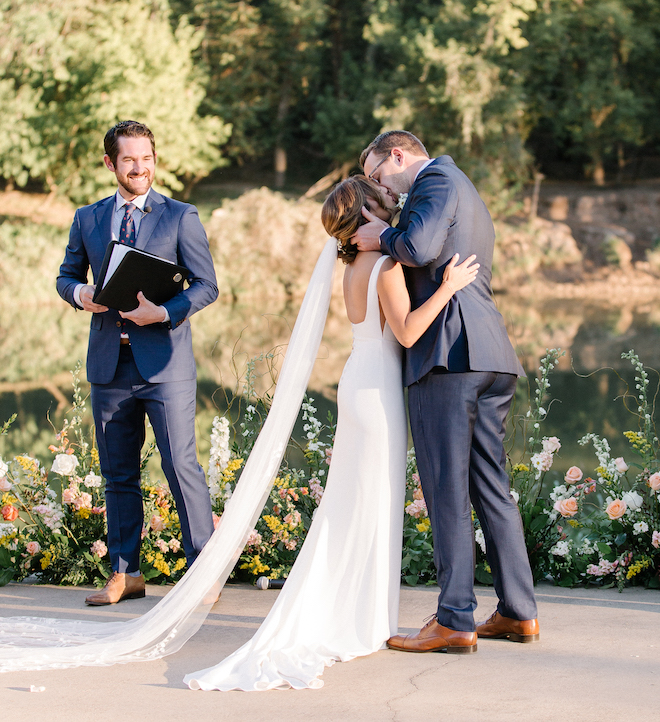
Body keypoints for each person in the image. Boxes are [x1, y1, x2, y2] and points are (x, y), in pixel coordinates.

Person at [182, 175, 479, 690]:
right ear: (366, 212)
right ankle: (358, 620)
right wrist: (449, 288)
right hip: (377, 393)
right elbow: (407, 332)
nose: (394, 202)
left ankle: (363, 616)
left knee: (356, 504)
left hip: (361, 379)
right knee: (369, 504)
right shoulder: (385, 265)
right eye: (384, 199)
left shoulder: (353, 265)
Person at [354, 130, 539, 654]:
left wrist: (378, 239)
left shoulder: (436, 179)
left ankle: (455, 617)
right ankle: (518, 612)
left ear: (397, 155)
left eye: (376, 175)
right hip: (490, 353)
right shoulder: (466, 187)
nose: (381, 189)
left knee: (446, 490)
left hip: (447, 356)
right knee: (491, 489)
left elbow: (418, 247)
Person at [56, 120, 217, 606]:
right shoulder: (87, 217)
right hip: (109, 365)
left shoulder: (180, 216)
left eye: (146, 158)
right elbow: (66, 276)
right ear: (111, 164)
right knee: (117, 474)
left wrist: (164, 312)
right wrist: (82, 293)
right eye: (129, 160)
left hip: (166, 366)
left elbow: (206, 285)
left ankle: (201, 573)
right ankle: (126, 575)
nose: (140, 167)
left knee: (180, 465)